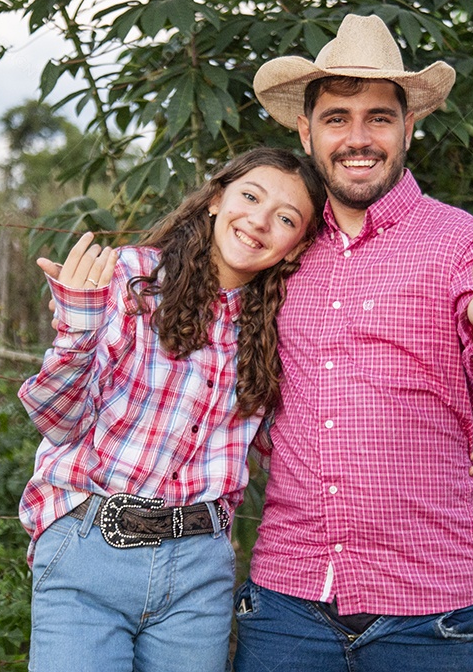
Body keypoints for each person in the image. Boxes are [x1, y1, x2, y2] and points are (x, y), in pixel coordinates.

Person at [232, 15, 473, 671]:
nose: (357, 138)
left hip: (434, 615)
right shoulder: (274, 249)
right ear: (304, 131)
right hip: (288, 606)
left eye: (379, 118)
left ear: (409, 128)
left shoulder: (465, 242)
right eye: (336, 118)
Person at [16, 147, 328, 672]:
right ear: (214, 200)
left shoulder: (282, 328)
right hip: (90, 548)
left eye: (286, 218)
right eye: (249, 197)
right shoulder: (133, 280)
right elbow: (56, 420)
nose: (258, 220)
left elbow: (301, 445)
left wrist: (457, 457)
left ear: (296, 248)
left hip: (198, 571)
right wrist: (78, 330)